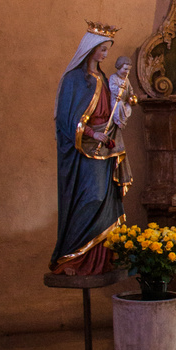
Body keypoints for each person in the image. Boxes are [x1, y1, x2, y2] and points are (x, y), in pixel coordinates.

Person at [50, 22, 133, 275]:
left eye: (107, 50)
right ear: (90, 49)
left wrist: (123, 110)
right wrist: (91, 133)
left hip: (106, 146)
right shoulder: (74, 79)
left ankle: (101, 259)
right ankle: (73, 257)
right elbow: (66, 120)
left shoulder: (105, 79)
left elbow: (111, 111)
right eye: (102, 50)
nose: (105, 55)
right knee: (90, 197)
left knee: (106, 197)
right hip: (85, 150)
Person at [109, 55, 137, 129]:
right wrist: (119, 89)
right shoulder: (113, 77)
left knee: (127, 107)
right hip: (116, 101)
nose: (127, 72)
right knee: (120, 105)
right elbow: (112, 87)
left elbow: (130, 88)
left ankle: (123, 121)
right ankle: (119, 121)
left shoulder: (126, 80)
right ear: (119, 67)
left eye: (129, 70)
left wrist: (132, 95)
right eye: (125, 69)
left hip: (125, 100)